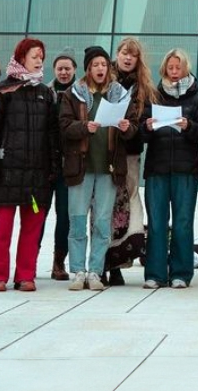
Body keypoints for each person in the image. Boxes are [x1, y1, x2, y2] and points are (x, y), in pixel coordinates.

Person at [0, 38, 60, 292]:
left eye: (41, 57)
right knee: (2, 228)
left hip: (37, 174)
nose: (39, 61)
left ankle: (25, 275)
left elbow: (52, 133)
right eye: (34, 56)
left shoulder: (45, 93)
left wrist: (53, 166)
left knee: (32, 228)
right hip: (6, 172)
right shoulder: (4, 90)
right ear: (21, 57)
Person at [59, 46, 134, 291]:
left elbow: (134, 127)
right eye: (95, 65)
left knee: (102, 223)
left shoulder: (120, 94)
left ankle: (95, 271)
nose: (100, 69)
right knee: (78, 220)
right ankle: (78, 270)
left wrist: (127, 128)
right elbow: (64, 126)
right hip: (81, 166)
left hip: (108, 168)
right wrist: (84, 127)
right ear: (88, 69)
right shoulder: (74, 94)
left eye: (104, 64)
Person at [141, 48, 198, 289]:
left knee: (183, 222)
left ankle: (181, 273)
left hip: (186, 169)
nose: (174, 72)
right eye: (170, 68)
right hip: (157, 168)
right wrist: (147, 127)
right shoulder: (153, 96)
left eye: (178, 67)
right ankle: (155, 273)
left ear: (186, 69)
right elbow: (139, 132)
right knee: (157, 222)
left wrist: (188, 126)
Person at [107, 37, 154, 285]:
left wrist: (136, 127)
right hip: (106, 151)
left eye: (132, 55)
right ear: (117, 54)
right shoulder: (104, 77)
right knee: (106, 207)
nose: (127, 58)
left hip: (131, 152)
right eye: (124, 53)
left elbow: (146, 121)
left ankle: (121, 261)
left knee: (130, 201)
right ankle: (104, 263)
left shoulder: (143, 87)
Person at [40, 54, 75, 281]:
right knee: (38, 214)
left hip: (69, 166)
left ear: (74, 70)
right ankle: (29, 260)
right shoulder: (44, 93)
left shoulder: (81, 93)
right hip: (45, 165)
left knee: (64, 216)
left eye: (67, 69)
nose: (63, 72)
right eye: (60, 69)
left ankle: (58, 262)